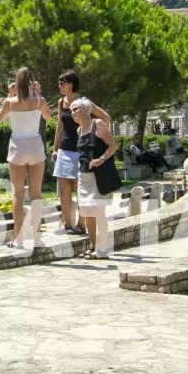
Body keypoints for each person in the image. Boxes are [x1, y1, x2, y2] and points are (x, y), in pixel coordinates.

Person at [0, 68, 52, 249]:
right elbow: (48, 116)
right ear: (31, 82)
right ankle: (37, 238)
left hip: (17, 149)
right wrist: (39, 94)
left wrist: (9, 95)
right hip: (35, 147)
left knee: (17, 196)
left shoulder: (9, 102)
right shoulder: (39, 101)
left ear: (16, 83)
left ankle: (18, 239)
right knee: (36, 195)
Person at [51, 70, 112, 237]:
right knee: (64, 187)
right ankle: (67, 224)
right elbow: (60, 126)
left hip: (81, 150)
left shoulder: (84, 102)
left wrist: (96, 137)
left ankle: (81, 224)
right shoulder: (61, 102)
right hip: (64, 149)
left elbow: (105, 117)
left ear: (71, 84)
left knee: (81, 190)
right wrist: (55, 148)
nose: (59, 85)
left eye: (62, 82)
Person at [72, 99, 118, 259]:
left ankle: (103, 248)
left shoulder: (97, 124)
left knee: (98, 212)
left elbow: (113, 145)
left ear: (85, 109)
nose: (72, 113)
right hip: (83, 176)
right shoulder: (79, 130)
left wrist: (101, 159)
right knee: (87, 213)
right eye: (71, 110)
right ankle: (92, 246)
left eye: (75, 109)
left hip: (97, 176)